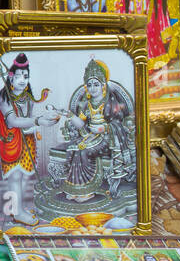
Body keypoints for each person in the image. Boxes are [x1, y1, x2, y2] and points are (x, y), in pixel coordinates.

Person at [54, 58, 136, 203]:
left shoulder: (110, 104)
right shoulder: (86, 105)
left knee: (83, 151)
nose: (93, 88)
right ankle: (76, 188)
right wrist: (69, 115)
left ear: (103, 86)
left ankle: (87, 190)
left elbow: (119, 124)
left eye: (96, 84)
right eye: (89, 85)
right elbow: (81, 125)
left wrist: (103, 128)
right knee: (74, 148)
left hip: (108, 140)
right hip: (90, 136)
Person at [0, 53, 60, 226]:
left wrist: (37, 127)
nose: (22, 80)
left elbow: (28, 119)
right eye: (18, 77)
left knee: (24, 177)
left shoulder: (27, 97)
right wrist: (38, 121)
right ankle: (15, 212)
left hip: (27, 140)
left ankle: (18, 208)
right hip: (11, 141)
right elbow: (13, 121)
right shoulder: (4, 98)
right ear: (10, 78)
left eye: (25, 76)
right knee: (14, 177)